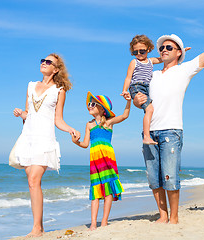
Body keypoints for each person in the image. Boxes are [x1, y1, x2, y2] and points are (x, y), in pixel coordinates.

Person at [133, 20, 204, 224]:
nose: (163, 50)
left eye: (168, 47)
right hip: (150, 132)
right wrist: (137, 99)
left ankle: (173, 217)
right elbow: (141, 98)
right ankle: (162, 215)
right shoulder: (152, 75)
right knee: (153, 178)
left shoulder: (184, 70)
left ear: (179, 52)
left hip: (171, 131)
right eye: (162, 47)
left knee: (170, 177)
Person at [13, 53, 79, 237]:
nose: (44, 63)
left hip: (45, 138)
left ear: (56, 69)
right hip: (28, 138)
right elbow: (29, 114)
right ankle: (39, 227)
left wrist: (70, 129)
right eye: (43, 60)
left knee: (34, 179)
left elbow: (58, 120)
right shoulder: (31, 86)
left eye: (48, 62)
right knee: (32, 183)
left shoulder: (59, 90)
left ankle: (36, 229)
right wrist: (21, 114)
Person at [71, 92, 130, 230]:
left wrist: (128, 101)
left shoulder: (108, 122)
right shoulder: (89, 125)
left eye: (92, 104)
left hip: (107, 158)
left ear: (102, 109)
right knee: (96, 189)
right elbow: (85, 144)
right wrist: (76, 142)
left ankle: (104, 221)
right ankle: (93, 223)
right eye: (88, 104)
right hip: (95, 160)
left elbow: (125, 115)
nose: (89, 106)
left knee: (108, 189)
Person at [121, 35, 162, 145]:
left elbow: (164, 58)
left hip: (147, 88)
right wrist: (125, 90)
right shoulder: (134, 62)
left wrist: (181, 52)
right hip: (137, 87)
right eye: (135, 52)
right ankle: (146, 136)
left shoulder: (151, 61)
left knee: (149, 110)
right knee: (149, 109)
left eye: (142, 51)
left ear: (148, 49)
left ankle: (150, 132)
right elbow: (128, 77)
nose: (139, 54)